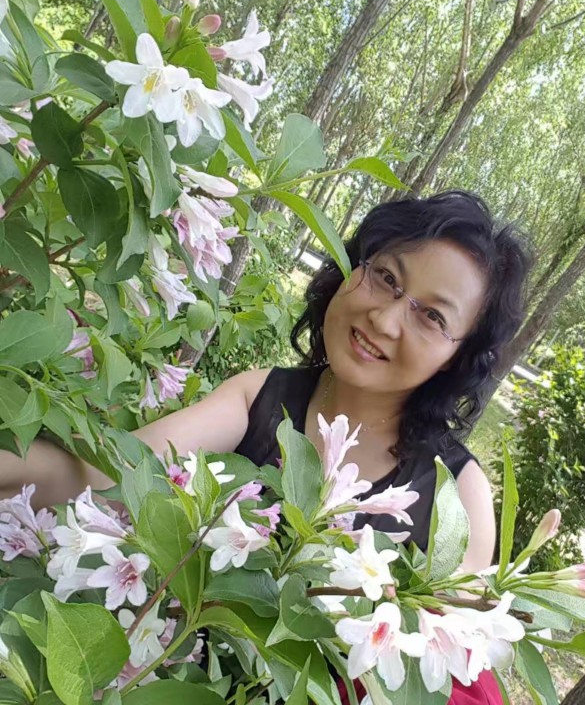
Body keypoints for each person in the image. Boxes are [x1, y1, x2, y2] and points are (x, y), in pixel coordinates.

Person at [0, 190, 531, 700]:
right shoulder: (259, 397)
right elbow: (111, 475)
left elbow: (436, 675)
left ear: (459, 359)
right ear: (352, 267)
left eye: (433, 317)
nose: (386, 319)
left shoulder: (458, 496)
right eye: (386, 277)